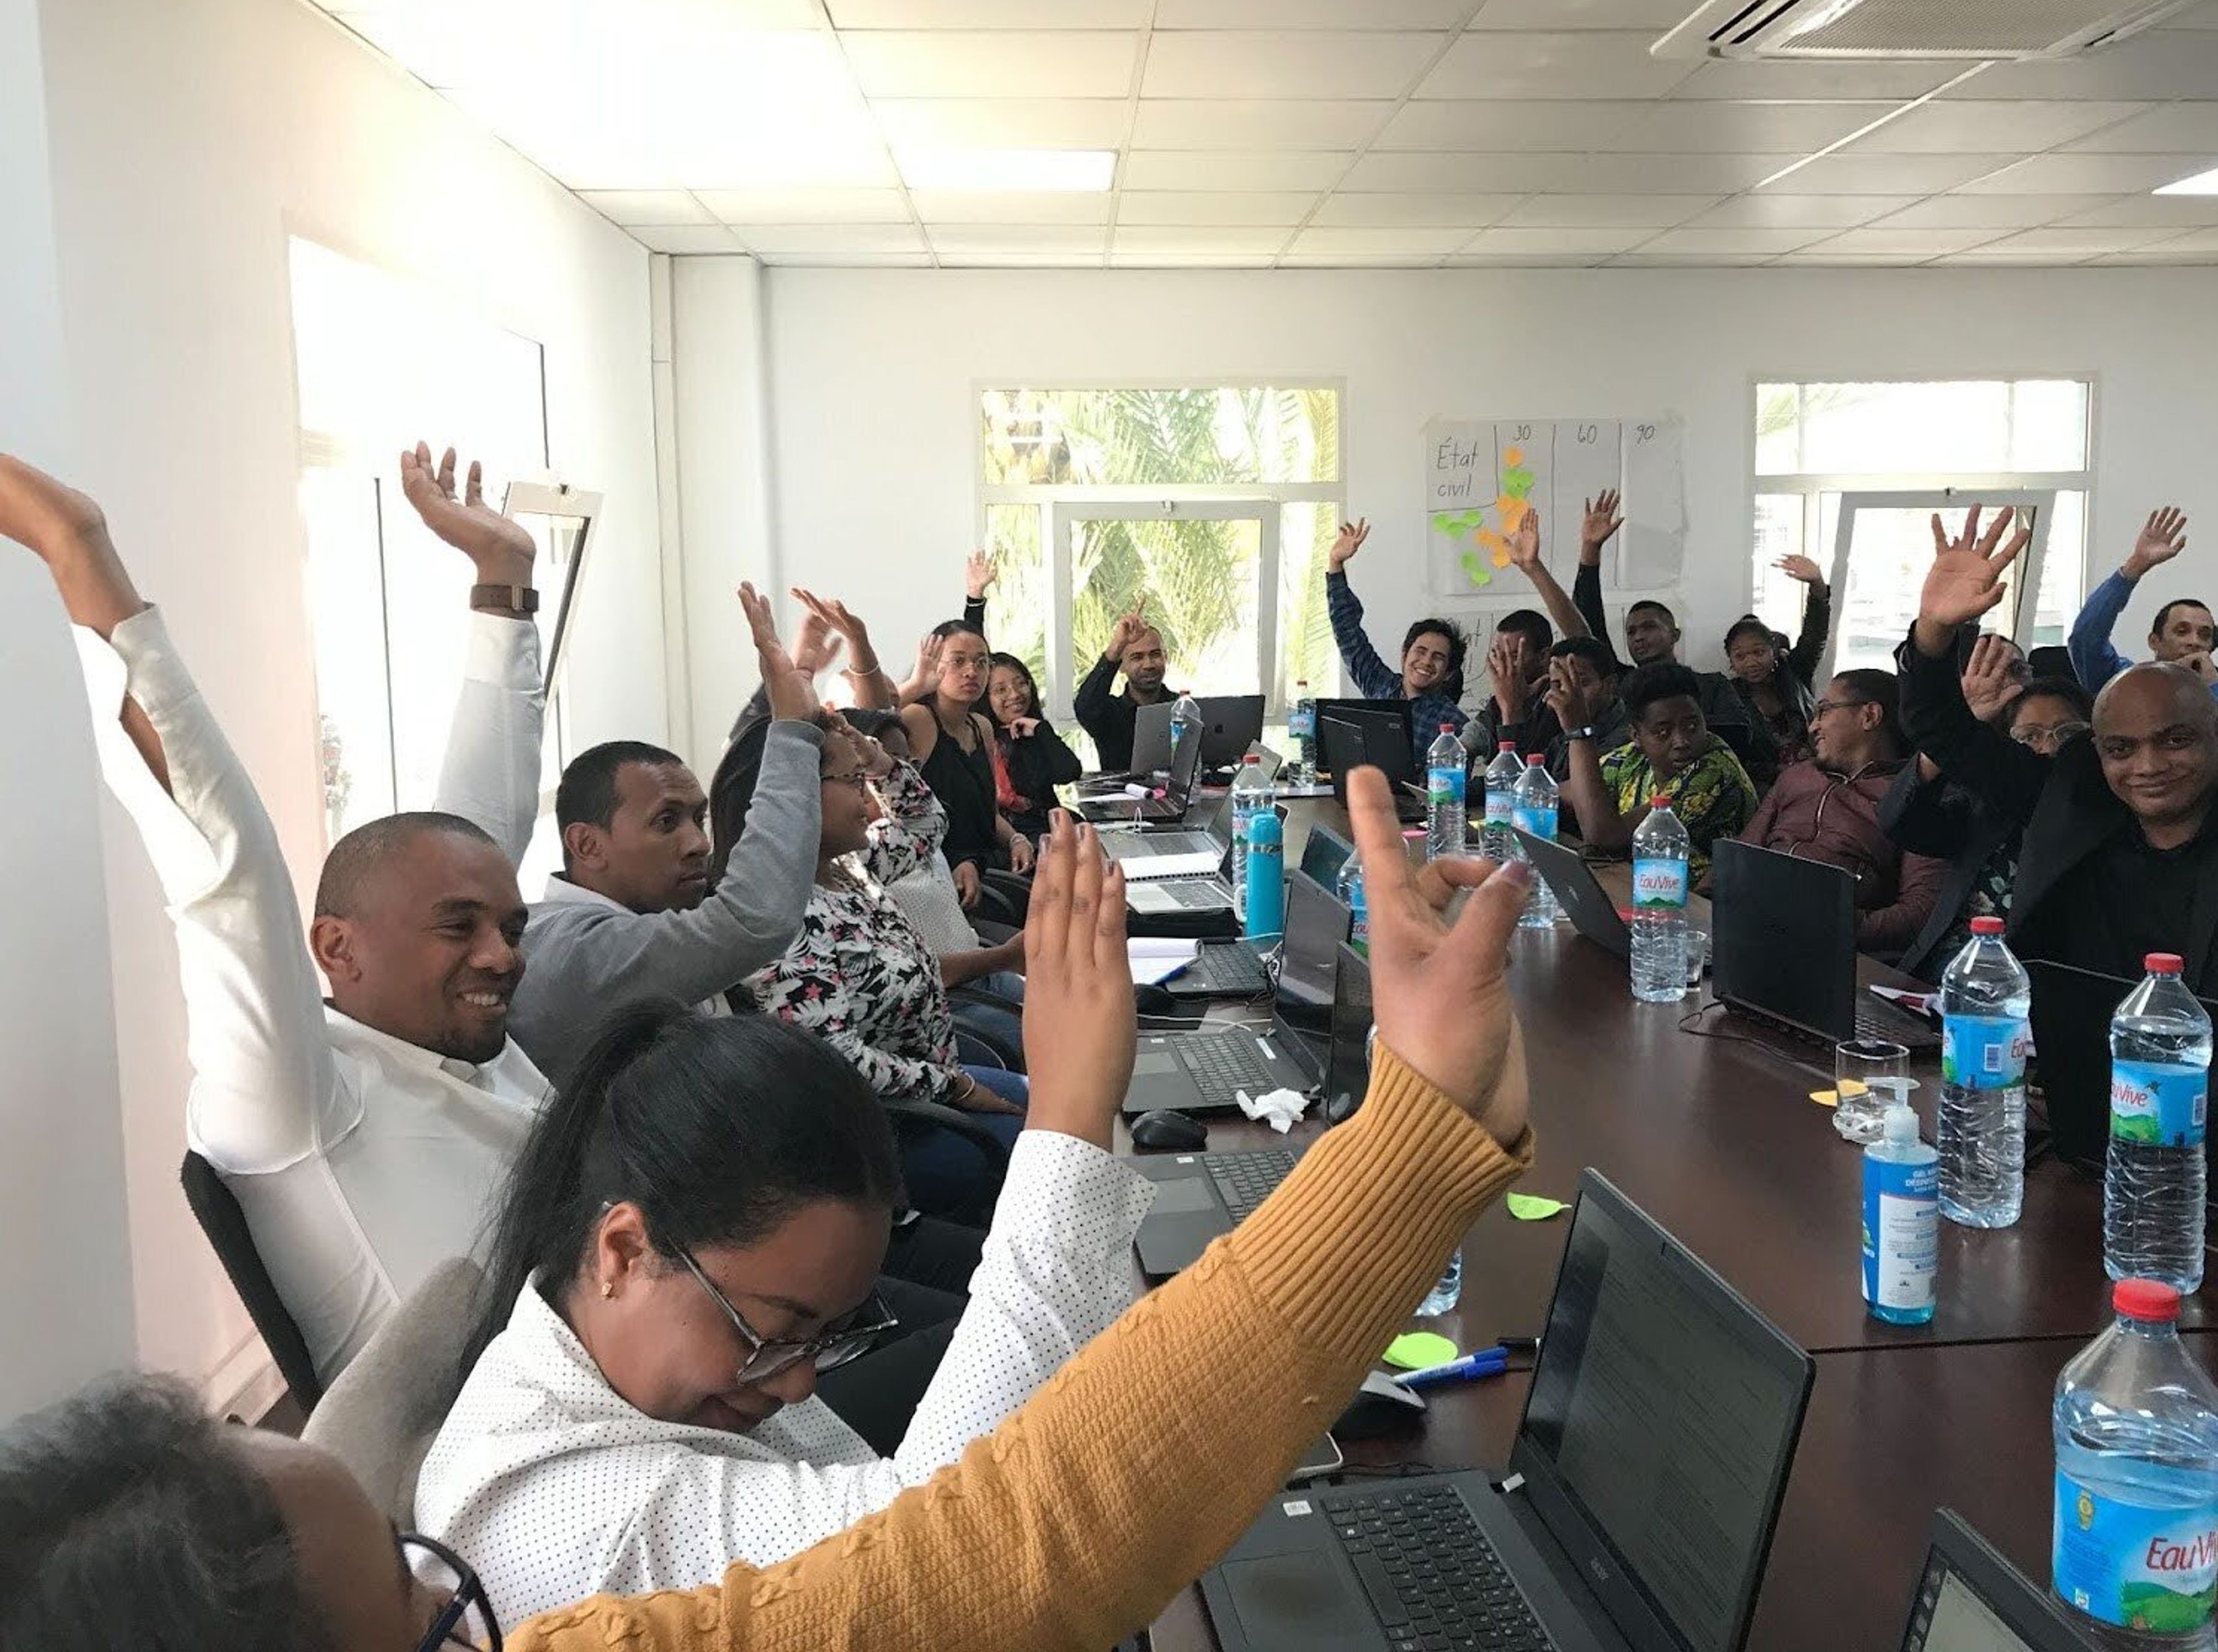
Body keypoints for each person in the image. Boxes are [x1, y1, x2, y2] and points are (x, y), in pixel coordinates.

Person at [0, 767, 1533, 1652]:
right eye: (417, 1610)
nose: (471, 1604)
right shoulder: (551, 1534)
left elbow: (965, 1554)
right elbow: (997, 1551)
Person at [416, 818, 1150, 1628]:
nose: (800, 1383)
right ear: (624, 1251)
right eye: (776, 1331)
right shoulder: (582, 1528)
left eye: (827, 1335)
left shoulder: (627, 1349)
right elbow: (940, 1553)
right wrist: (1072, 1114)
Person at [0, 445, 550, 1386]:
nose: (501, 956)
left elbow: (475, 828)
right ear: (336, 948)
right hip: (529, 1483)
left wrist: (504, 585)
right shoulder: (303, 1099)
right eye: (459, 930)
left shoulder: (461, 1047)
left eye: (510, 928)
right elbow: (226, 868)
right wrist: (74, 543)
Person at [1899, 506, 2218, 1025]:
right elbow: (1942, 728)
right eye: (2121, 749)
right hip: (2070, 1070)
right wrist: (1934, 630)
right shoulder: (2076, 791)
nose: (2148, 766)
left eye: (2175, 741)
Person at [510, 588, 843, 1081]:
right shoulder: (573, 950)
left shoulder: (646, 913)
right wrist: (792, 729)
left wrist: (784, 697)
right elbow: (756, 918)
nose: (699, 843)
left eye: (698, 819)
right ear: (587, 845)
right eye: (667, 823)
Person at [714, 718, 1031, 1216]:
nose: (870, 801)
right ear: (792, 794)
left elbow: (927, 825)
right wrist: (957, 1087)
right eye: (853, 782)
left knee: (1062, 1116)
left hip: (936, 1091)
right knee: (1049, 1149)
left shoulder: (848, 868)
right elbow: (837, 1062)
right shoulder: (778, 918)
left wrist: (880, 761)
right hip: (887, 1131)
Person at [1881, 643, 2094, 977]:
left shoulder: (2095, 812)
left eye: (2068, 734)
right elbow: (1903, 823)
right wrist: (1958, 729)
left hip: (2016, 992)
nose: (2050, 748)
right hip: (1934, 972)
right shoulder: (1985, 801)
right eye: (2030, 737)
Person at [1736, 669, 1950, 955]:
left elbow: (1922, 910)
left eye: (1824, 711)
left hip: (1835, 952)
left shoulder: (1917, 796)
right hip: (1751, 929)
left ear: (1870, 716)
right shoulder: (1797, 776)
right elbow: (1741, 857)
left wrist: (1842, 926)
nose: (1813, 727)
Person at [1571, 489, 1776, 780]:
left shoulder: (1713, 686)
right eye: (1631, 632)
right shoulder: (1624, 683)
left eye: (1649, 627)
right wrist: (1590, 552)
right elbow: (1588, 627)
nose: (1639, 637)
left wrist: (1661, 729)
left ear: (1675, 634)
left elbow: (1740, 733)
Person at [1562, 661, 1758, 884]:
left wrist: (1579, 733)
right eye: (1663, 732)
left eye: (1692, 726)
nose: (1681, 741)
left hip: (1703, 905)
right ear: (1636, 736)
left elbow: (1605, 837)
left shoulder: (1714, 769)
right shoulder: (1631, 758)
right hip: (1647, 892)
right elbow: (1564, 792)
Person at [901, 621, 1037, 924]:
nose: (971, 671)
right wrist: (914, 686)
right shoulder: (919, 719)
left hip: (984, 860)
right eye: (958, 661)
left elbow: (988, 813)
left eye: (981, 662)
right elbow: (865, 725)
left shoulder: (981, 726)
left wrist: (1016, 839)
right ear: (934, 666)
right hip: (938, 872)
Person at [1325, 515, 1469, 770]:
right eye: (1421, 651)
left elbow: (1454, 788)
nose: (1426, 662)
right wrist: (1335, 564)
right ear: (1404, 655)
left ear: (1448, 674)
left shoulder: (1455, 724)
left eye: (1438, 657)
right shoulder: (1381, 687)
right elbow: (1348, 634)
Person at [1467, 507, 1592, 768]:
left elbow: (1522, 781)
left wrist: (1533, 568)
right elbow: (1468, 741)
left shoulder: (1560, 698)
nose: (1503, 665)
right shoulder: (1500, 699)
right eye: (1497, 655)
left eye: (1513, 655)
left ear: (1544, 656)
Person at [2065, 505, 2218, 700]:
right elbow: (2086, 639)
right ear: (2154, 641)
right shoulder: (2126, 683)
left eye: (2205, 635)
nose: (2194, 642)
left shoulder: (2215, 688)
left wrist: (2214, 688)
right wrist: (2135, 565)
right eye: (2182, 631)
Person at [1723, 551, 1833, 769]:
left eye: (1758, 652)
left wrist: (1817, 585)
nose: (1751, 662)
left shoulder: (1794, 672)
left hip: (1817, 772)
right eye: (1741, 656)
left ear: (1773, 651)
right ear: (1731, 662)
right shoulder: (1727, 696)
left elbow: (1815, 634)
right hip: (1768, 786)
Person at [987, 652, 1083, 837]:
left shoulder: (1034, 732)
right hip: (1014, 840)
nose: (1015, 694)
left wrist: (1041, 729)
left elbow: (1069, 772)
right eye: (1001, 690)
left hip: (1051, 831)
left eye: (1021, 684)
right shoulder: (984, 743)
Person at [1073, 603, 1176, 774]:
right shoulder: (1108, 714)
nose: (1148, 665)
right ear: (1121, 665)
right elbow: (1085, 707)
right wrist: (1117, 646)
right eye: (1137, 657)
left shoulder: (1183, 709)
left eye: (1155, 655)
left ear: (1166, 658)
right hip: (1121, 798)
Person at [1542, 634, 1632, 762]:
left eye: (1579, 684)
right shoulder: (1559, 731)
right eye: (1557, 685)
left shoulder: (1628, 736)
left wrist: (1576, 731)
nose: (1569, 694)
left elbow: (1582, 782)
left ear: (1610, 684)